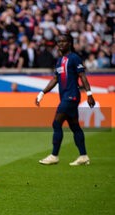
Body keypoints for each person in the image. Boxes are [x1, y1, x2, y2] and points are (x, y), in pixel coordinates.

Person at [36, 34, 95, 166]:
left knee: (56, 124)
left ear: (70, 43)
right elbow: (55, 79)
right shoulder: (59, 60)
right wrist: (42, 93)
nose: (61, 44)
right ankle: (83, 156)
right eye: (59, 41)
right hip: (65, 97)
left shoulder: (74, 58)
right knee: (75, 126)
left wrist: (89, 94)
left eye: (64, 41)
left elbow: (83, 76)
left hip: (71, 96)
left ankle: (54, 155)